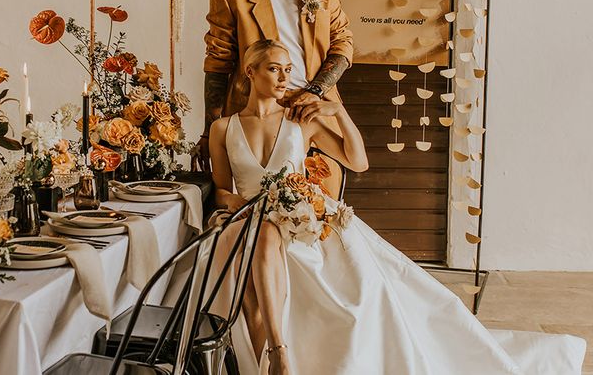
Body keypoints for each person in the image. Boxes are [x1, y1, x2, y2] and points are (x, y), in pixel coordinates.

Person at [208, 39, 586, 375]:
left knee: (276, 245)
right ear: (250, 71)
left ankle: (277, 357)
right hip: (249, 218)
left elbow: (358, 161)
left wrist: (336, 111)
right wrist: (243, 203)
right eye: (274, 68)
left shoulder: (299, 121)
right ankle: (271, 357)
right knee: (255, 243)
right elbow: (222, 189)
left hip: (300, 219)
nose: (283, 77)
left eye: (288, 69)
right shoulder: (224, 128)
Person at [200, 0, 353, 196]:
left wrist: (316, 91)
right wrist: (210, 130)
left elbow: (343, 43)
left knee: (321, 204)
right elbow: (218, 62)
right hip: (256, 111)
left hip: (313, 110)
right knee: (256, 200)